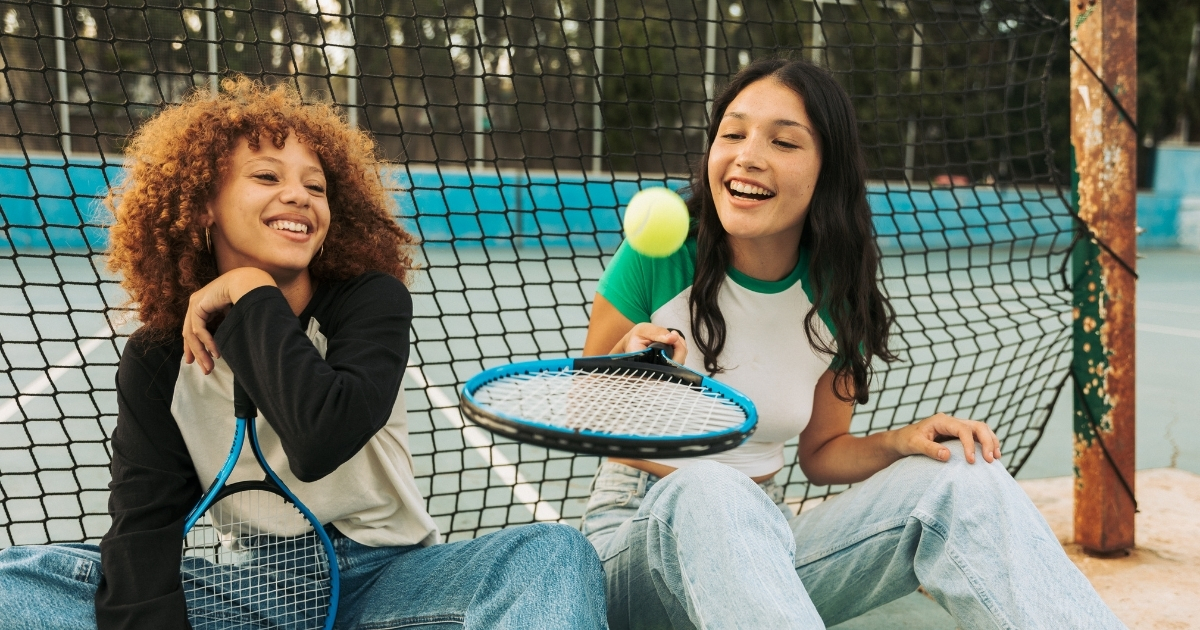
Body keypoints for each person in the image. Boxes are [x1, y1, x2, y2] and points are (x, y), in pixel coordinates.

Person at [0, 77, 608, 630]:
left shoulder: (371, 302)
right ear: (203, 204)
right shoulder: (159, 357)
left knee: (552, 554)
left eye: (314, 186)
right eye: (267, 177)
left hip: (395, 582)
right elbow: (145, 528)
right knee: (20, 579)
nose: (298, 196)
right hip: (255, 590)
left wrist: (250, 289)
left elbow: (321, 435)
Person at [580, 58, 1125, 630]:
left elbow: (822, 454)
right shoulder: (656, 256)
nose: (748, 156)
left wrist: (900, 442)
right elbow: (582, 410)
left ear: (826, 171)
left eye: (784, 142)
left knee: (962, 474)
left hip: (763, 538)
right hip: (635, 543)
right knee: (714, 489)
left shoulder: (839, 292)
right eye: (733, 134)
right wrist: (628, 369)